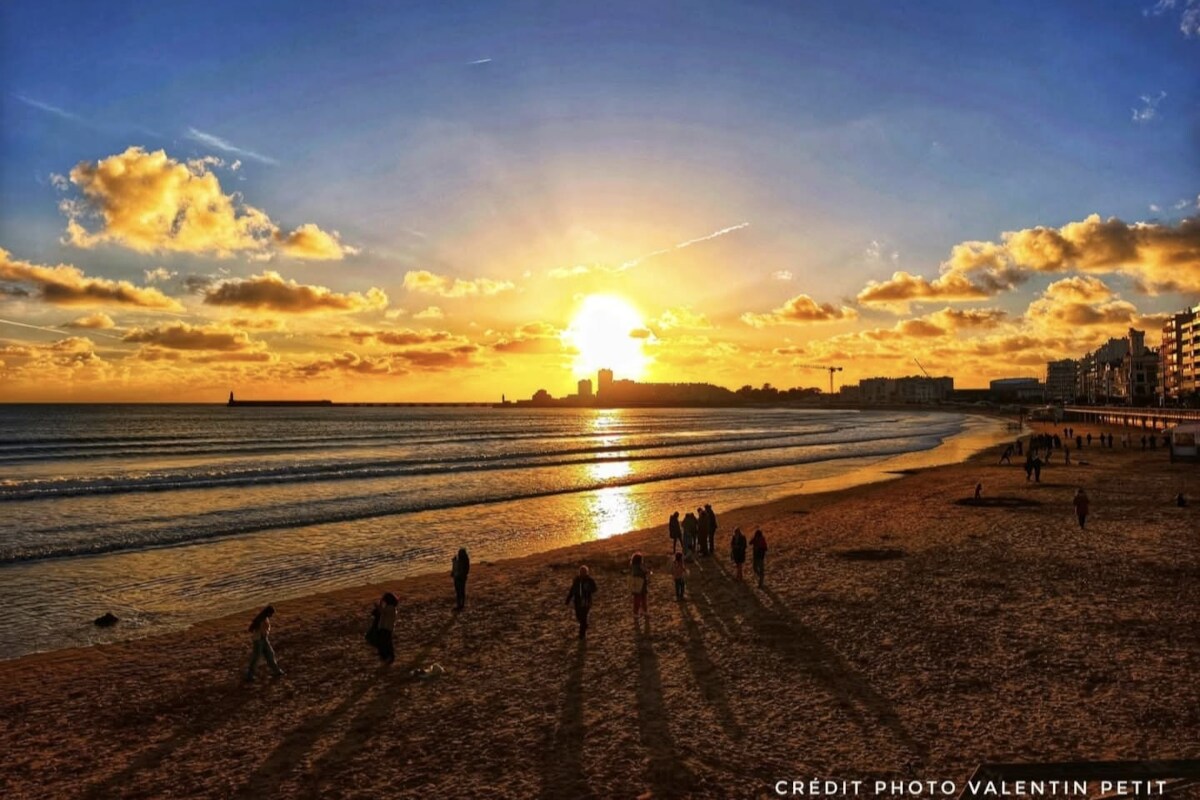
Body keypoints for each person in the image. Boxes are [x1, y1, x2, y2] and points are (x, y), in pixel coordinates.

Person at [245, 605, 284, 681]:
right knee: (257, 657)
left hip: (263, 639)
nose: (271, 616)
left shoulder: (264, 618)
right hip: (258, 640)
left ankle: (276, 671)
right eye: (271, 614)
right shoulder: (261, 619)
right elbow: (261, 631)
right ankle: (249, 674)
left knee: (270, 654)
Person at [565, 565, 597, 639]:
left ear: (586, 572)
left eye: (584, 572)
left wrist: (588, 588)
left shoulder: (589, 580)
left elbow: (594, 589)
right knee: (578, 616)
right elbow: (572, 590)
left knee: (584, 617)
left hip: (586, 601)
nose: (582, 573)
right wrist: (568, 599)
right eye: (581, 572)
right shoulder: (577, 580)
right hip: (577, 601)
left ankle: (581, 634)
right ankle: (584, 626)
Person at [374, 592, 398, 663]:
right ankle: (387, 657)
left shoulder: (391, 608)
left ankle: (388, 657)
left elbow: (382, 611)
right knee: (385, 642)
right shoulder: (389, 607)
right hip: (385, 627)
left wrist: (378, 605)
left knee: (385, 643)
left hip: (386, 628)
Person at [629, 552, 650, 619]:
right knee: (637, 600)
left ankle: (644, 611)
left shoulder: (636, 566)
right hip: (638, 584)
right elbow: (637, 574)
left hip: (641, 584)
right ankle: (636, 612)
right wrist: (645, 571)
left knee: (644, 598)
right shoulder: (636, 567)